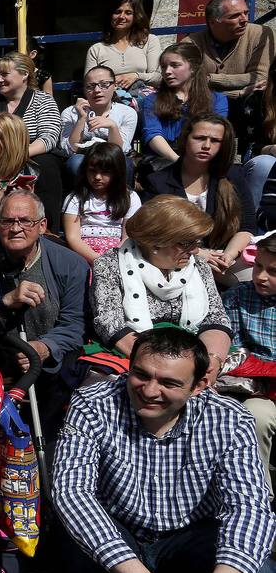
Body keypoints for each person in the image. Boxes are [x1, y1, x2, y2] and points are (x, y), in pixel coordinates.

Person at [51, 327, 276, 573]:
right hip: (120, 522)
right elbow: (71, 492)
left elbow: (250, 505)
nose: (150, 390)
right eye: (141, 374)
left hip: (190, 535)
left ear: (199, 386)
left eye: (169, 383)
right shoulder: (93, 403)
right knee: (80, 537)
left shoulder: (230, 419)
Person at [0, 189, 91, 395]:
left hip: (47, 360)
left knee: (71, 369)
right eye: (7, 221)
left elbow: (74, 325)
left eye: (26, 221)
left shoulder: (72, 265)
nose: (16, 228)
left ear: (42, 226)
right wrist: (3, 304)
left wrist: (45, 347)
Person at [91, 196, 232, 378]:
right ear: (155, 243)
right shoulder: (110, 265)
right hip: (137, 356)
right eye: (186, 243)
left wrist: (212, 360)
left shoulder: (198, 266)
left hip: (194, 354)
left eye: (196, 242)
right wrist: (170, 368)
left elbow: (216, 317)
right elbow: (110, 323)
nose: (196, 250)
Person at [141, 114, 255, 277]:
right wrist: (199, 253)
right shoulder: (158, 182)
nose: (207, 145)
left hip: (222, 258)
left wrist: (228, 256)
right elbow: (152, 231)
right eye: (200, 138)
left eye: (215, 141)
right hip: (175, 258)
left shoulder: (233, 176)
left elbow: (247, 227)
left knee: (254, 274)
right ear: (185, 139)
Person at [221, 233, 276, 488]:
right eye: (258, 267)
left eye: (273, 271)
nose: (261, 277)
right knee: (257, 416)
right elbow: (235, 351)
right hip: (260, 387)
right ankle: (259, 494)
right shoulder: (239, 296)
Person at [140, 41, 228, 168]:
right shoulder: (152, 100)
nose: (167, 71)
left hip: (202, 156)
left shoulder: (217, 100)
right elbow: (153, 134)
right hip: (163, 158)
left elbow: (216, 134)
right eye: (164, 67)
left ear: (193, 67)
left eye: (175, 65)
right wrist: (179, 162)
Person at [63, 143, 140, 263]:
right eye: (92, 171)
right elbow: (73, 237)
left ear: (117, 172)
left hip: (119, 253)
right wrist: (99, 260)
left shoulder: (130, 197)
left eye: (105, 172)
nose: (97, 177)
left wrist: (114, 259)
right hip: (83, 253)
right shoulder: (75, 198)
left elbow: (128, 236)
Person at [62, 66, 139, 179]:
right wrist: (81, 118)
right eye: (90, 86)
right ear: (84, 90)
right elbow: (69, 150)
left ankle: (122, 196)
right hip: (82, 156)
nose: (97, 90)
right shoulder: (70, 112)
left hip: (113, 156)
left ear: (114, 86)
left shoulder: (127, 112)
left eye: (104, 84)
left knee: (125, 165)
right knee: (75, 163)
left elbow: (121, 150)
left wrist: (112, 127)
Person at [84, 0, 163, 92]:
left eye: (128, 13)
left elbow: (158, 77)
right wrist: (111, 82)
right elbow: (88, 84)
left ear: (136, 17)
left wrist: (136, 76)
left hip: (142, 100)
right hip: (111, 101)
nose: (122, 16)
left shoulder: (149, 41)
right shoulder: (96, 49)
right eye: (117, 12)